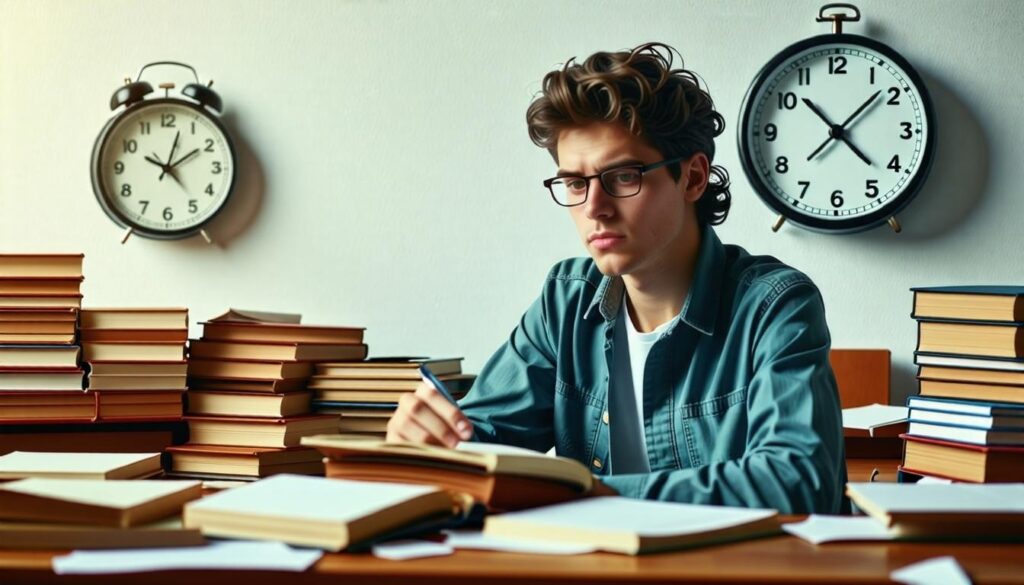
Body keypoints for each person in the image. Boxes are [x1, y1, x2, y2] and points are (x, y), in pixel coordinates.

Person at [386, 42, 846, 514]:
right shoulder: (565, 302)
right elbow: (477, 446)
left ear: (692, 178)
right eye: (574, 183)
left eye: (623, 177)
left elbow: (797, 483)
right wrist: (426, 441)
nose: (593, 208)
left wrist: (593, 494)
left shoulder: (774, 306)